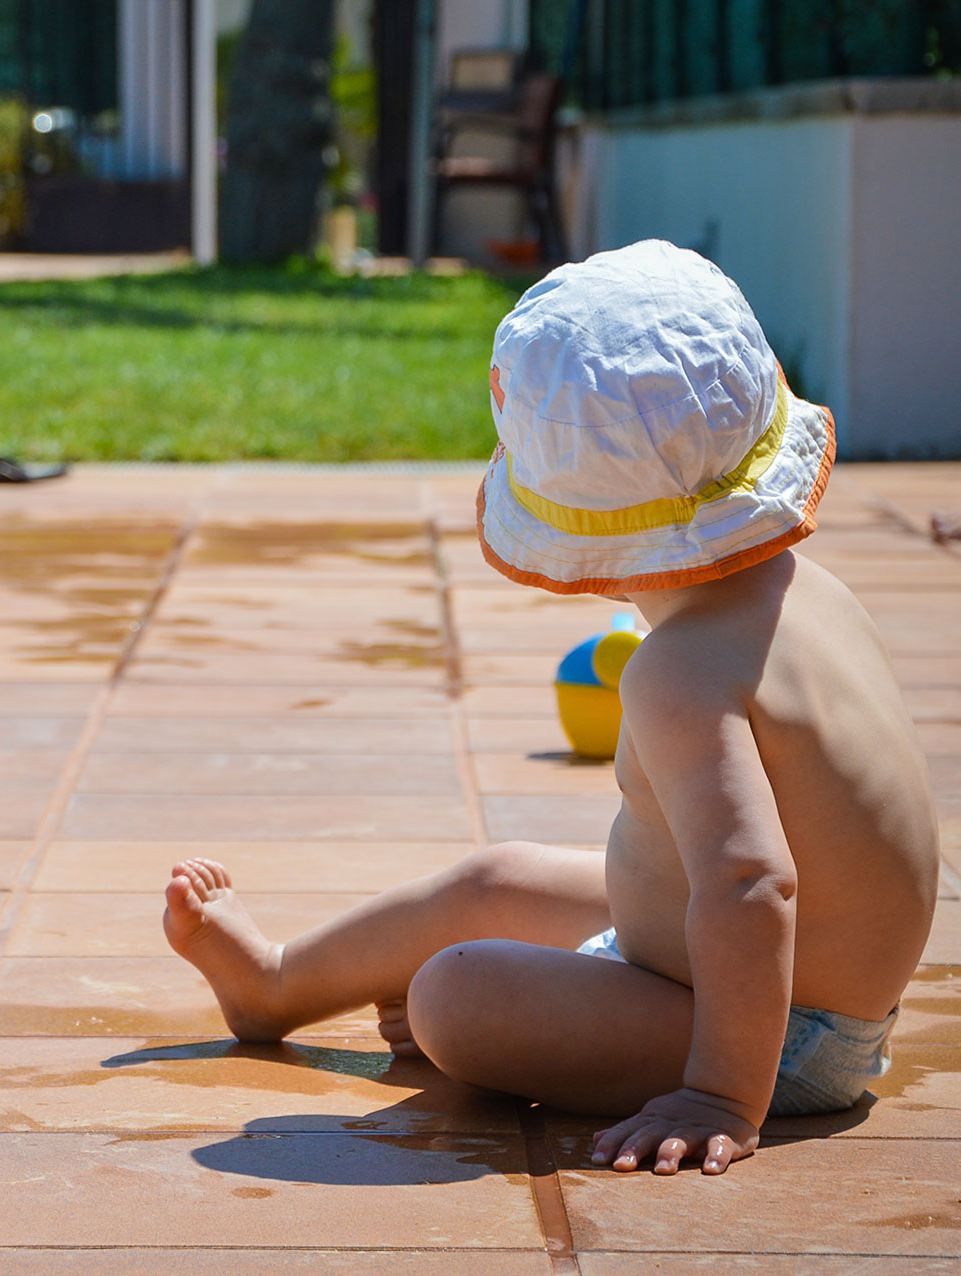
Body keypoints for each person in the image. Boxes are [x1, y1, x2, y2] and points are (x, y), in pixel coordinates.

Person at [162, 240, 938, 1176]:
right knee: (498, 879)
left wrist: (721, 1091)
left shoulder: (679, 674)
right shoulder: (809, 591)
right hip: (754, 974)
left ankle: (577, 1025)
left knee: (454, 995)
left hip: (780, 1034)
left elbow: (753, 886)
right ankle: (274, 983)